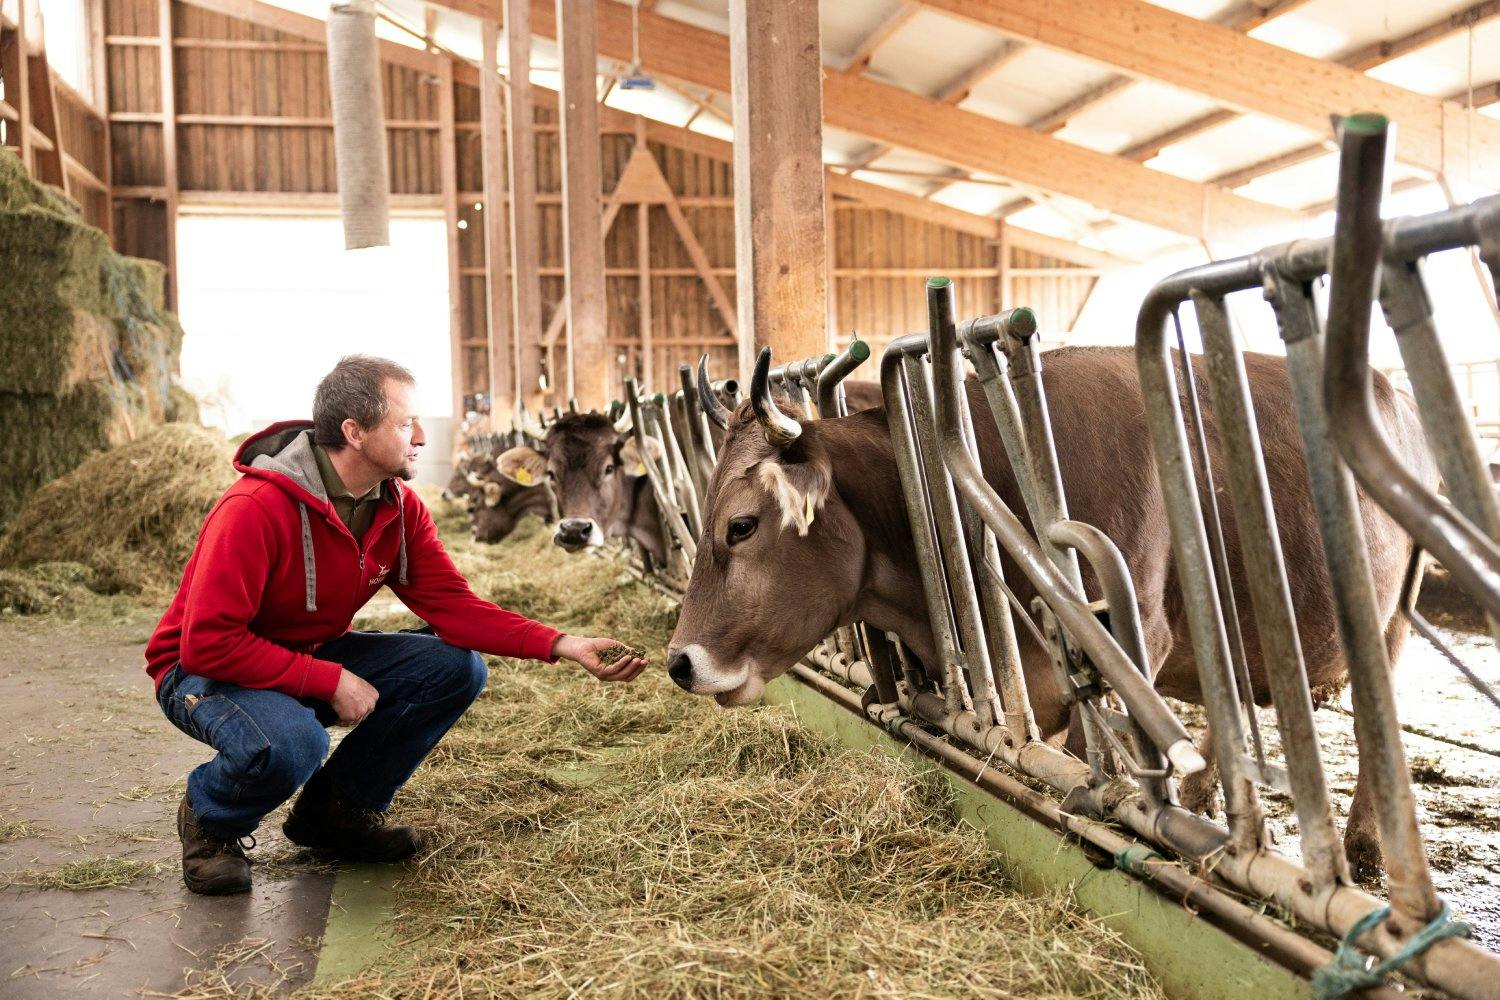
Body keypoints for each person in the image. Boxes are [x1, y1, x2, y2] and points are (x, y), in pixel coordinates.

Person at [144, 355, 648, 894]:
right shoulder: (255, 508)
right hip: (202, 675)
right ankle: (212, 821)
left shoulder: (398, 509)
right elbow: (207, 646)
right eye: (406, 423)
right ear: (354, 432)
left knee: (455, 668)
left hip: (303, 651)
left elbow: (455, 608)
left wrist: (562, 644)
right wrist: (329, 680)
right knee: (295, 742)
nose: (423, 438)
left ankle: (335, 813)